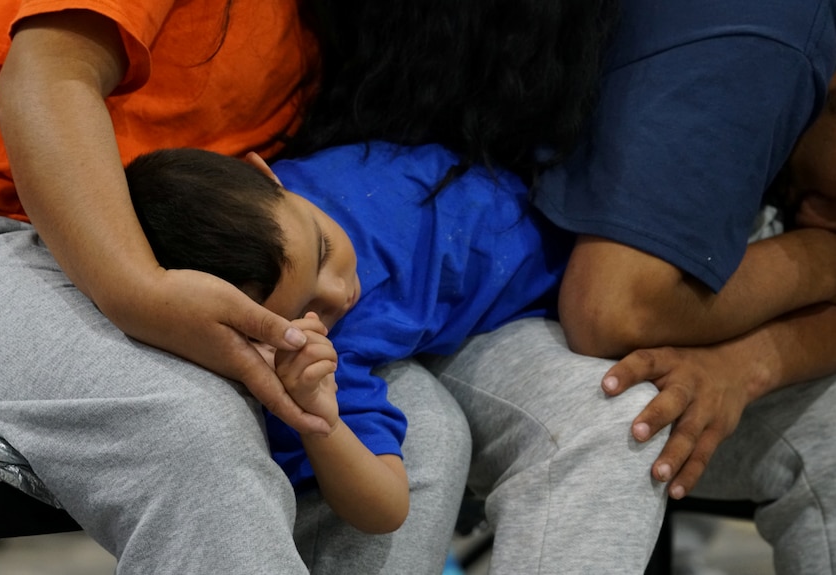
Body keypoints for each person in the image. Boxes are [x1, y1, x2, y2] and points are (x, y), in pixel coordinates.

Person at [293, 0, 836, 573]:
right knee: (616, 422)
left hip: (476, 268)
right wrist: (821, 259)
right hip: (449, 298)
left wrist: (750, 363)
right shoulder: (771, 35)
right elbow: (610, 309)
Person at [0, 2, 472, 573]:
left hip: (189, 252)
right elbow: (47, 75)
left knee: (424, 435)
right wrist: (145, 292)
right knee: (194, 431)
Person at [122, 143, 571, 530]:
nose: (339, 296)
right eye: (302, 312)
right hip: (580, 300)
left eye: (323, 251)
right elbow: (386, 509)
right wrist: (322, 424)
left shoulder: (266, 194)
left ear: (266, 173)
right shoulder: (314, 354)